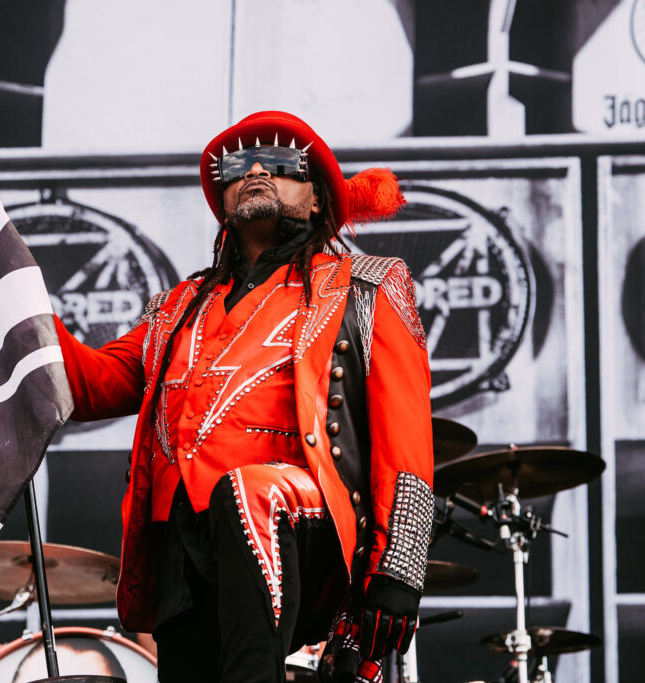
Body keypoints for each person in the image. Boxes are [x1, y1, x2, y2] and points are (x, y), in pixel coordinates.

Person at [53, 111, 434, 683]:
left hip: (298, 524)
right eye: (237, 165)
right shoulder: (177, 309)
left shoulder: (367, 285)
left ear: (315, 202)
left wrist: (398, 568)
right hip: (186, 537)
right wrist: (18, 303)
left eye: (283, 163)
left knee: (249, 495)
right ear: (223, 200)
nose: (256, 168)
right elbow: (87, 385)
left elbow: (406, 436)